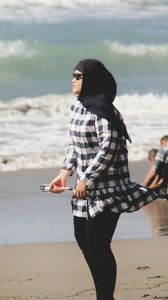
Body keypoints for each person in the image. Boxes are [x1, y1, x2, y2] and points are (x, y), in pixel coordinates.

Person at [49, 58, 158, 300]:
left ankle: (105, 298)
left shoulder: (106, 112)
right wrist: (65, 172)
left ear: (91, 80)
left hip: (109, 188)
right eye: (73, 75)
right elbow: (74, 144)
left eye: (79, 76)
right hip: (85, 191)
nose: (73, 80)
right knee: (83, 240)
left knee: (98, 245)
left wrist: (85, 178)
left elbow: (108, 148)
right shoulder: (77, 107)